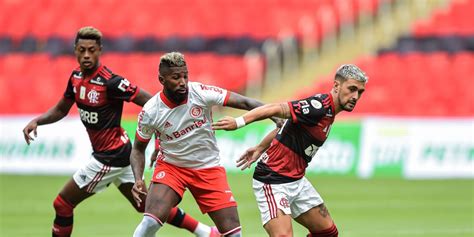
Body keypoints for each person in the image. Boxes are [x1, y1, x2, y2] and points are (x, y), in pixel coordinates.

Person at [22, 27, 218, 237]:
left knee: (62, 203)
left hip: (109, 158)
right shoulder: (76, 78)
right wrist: (37, 121)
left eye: (92, 50)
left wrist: (161, 141)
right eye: (82, 50)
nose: (86, 55)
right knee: (147, 206)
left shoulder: (111, 82)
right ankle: (207, 233)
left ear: (100, 51)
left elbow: (153, 104)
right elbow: (61, 109)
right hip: (122, 153)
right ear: (75, 50)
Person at [130, 52, 280, 237]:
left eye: (185, 75)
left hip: (208, 168)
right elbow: (137, 149)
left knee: (234, 234)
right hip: (172, 168)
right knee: (150, 223)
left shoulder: (200, 92)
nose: (183, 82)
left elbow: (244, 101)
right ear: (162, 79)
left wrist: (275, 116)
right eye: (176, 77)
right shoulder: (151, 111)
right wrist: (138, 179)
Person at [212, 64, 368, 237]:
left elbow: (289, 125)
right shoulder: (318, 107)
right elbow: (276, 108)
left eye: (360, 92)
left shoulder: (329, 112)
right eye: (352, 89)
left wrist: (260, 147)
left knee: (327, 233)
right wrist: (239, 122)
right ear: (337, 86)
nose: (355, 96)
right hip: (273, 180)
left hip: (296, 181)